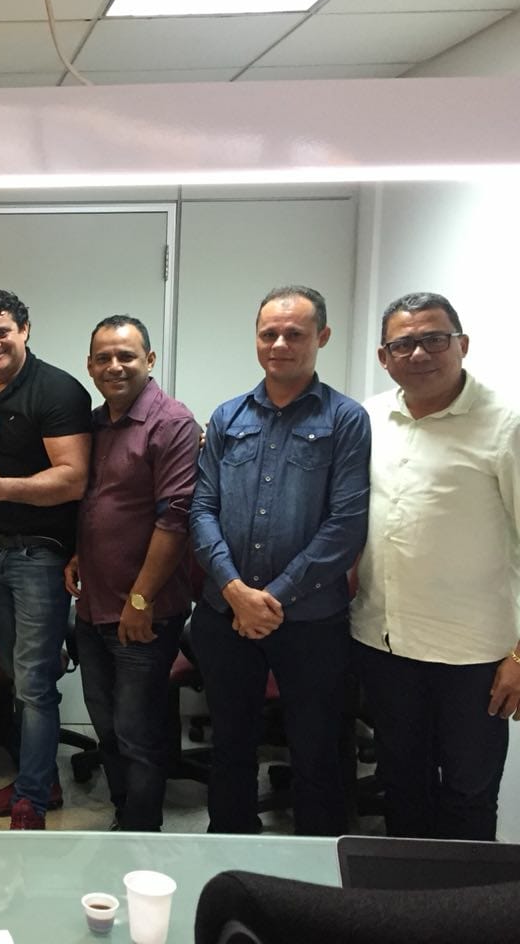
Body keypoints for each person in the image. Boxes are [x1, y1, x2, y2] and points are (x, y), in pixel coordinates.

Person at [190, 285, 370, 837]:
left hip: (311, 622)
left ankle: (315, 866)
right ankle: (230, 852)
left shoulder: (346, 420)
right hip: (226, 616)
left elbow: (346, 525)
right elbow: (202, 509)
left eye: (295, 333)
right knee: (230, 745)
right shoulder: (228, 417)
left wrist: (271, 598)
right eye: (269, 333)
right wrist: (234, 590)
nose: (280, 344)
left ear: (322, 337)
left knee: (317, 751)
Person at [351, 292, 520, 841]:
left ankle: (468, 895)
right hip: (385, 643)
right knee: (402, 784)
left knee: (469, 793)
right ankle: (403, 891)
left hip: (473, 656)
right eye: (404, 344)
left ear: (462, 345)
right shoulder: (370, 418)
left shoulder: (506, 425)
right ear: (384, 357)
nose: (419, 353)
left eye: (434, 339)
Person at [0, 288, 92, 830]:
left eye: (2, 333)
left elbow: (73, 478)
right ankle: (41, 779)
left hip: (39, 557)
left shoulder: (57, 390)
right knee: (19, 677)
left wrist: (1, 489)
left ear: (25, 330)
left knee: (34, 682)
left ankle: (31, 800)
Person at [63, 315, 200, 832]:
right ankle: (124, 811)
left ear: (150, 359)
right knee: (105, 721)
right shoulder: (96, 424)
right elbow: (99, 504)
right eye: (104, 358)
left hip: (143, 610)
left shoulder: (171, 423)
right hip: (94, 605)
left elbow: (175, 520)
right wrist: (78, 553)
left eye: (126, 356)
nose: (114, 366)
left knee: (136, 730)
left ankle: (142, 829)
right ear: (90, 365)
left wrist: (140, 600)